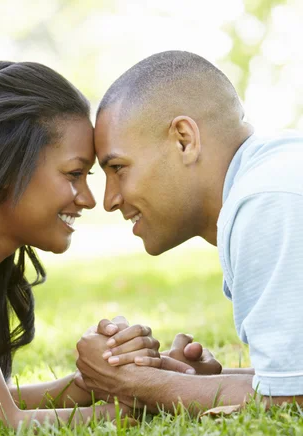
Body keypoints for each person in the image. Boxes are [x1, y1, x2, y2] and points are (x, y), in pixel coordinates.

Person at [0, 60, 181, 433]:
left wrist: (102, 381)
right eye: (74, 174)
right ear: (8, 166)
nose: (88, 199)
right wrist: (152, 402)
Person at [76, 50, 303, 414]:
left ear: (184, 139)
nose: (109, 200)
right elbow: (282, 378)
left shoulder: (267, 202)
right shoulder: (271, 177)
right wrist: (187, 380)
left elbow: (290, 399)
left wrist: (133, 383)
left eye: (118, 167)